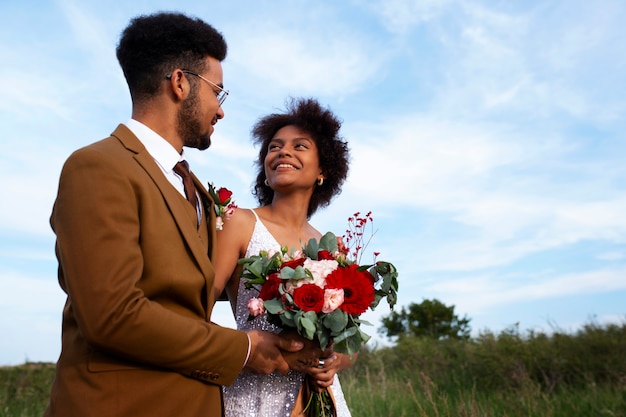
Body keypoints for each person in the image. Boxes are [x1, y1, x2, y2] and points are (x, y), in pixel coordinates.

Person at [44, 12, 310, 417]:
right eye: (217, 92)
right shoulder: (98, 167)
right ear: (180, 83)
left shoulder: (198, 191)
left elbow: (202, 290)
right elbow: (112, 316)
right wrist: (245, 348)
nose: (220, 111)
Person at [213, 97, 355, 416]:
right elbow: (195, 306)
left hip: (320, 397)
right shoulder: (240, 223)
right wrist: (245, 348)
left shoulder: (332, 248)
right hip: (254, 393)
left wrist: (334, 361)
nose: (283, 151)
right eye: (274, 147)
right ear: (265, 168)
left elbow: (349, 341)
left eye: (299, 146)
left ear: (323, 170)